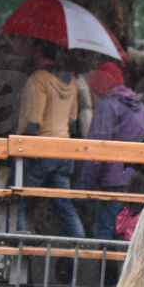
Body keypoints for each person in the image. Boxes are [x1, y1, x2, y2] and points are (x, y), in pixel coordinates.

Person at [15, 39, 85, 241]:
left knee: (16, 198)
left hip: (43, 150)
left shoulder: (39, 79)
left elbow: (33, 123)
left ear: (40, 53)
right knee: (64, 203)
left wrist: (20, 146)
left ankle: (17, 242)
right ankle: (81, 244)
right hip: (64, 151)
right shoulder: (71, 82)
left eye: (34, 50)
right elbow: (73, 122)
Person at [80, 61, 144, 240]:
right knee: (127, 232)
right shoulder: (141, 108)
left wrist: (83, 186)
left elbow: (96, 149)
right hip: (137, 182)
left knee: (103, 233)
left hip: (112, 183)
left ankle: (102, 269)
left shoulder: (108, 105)